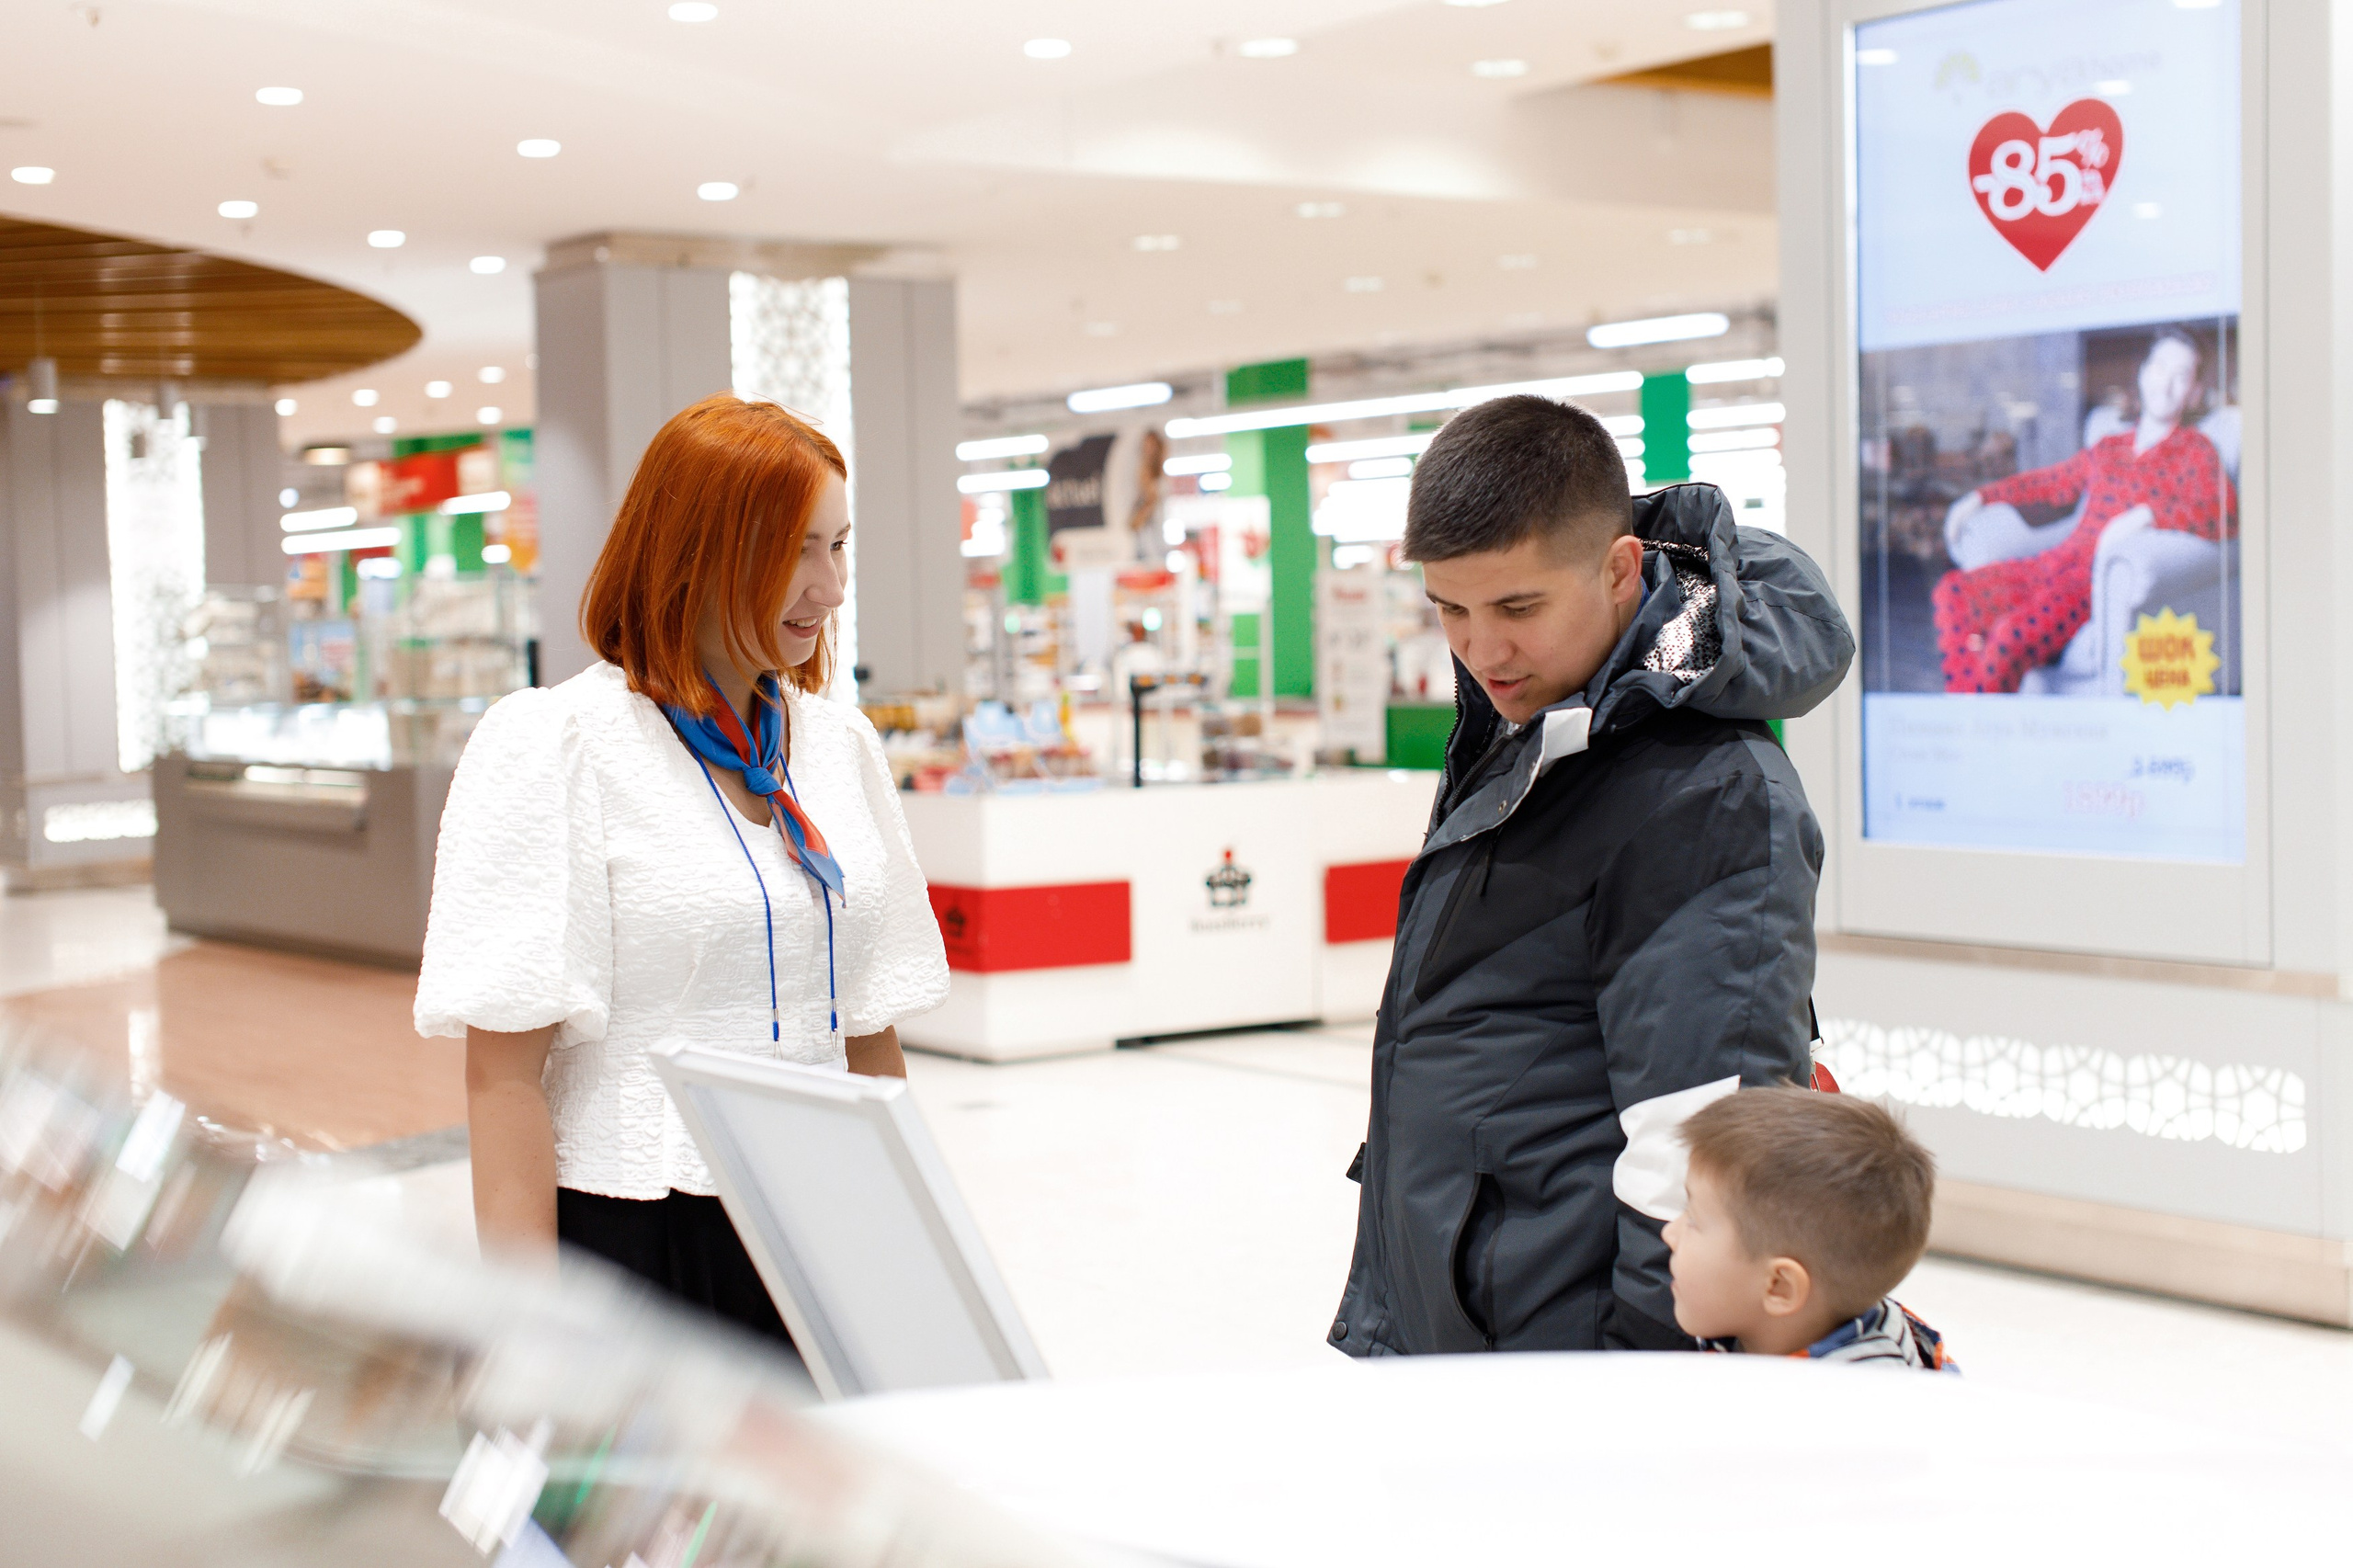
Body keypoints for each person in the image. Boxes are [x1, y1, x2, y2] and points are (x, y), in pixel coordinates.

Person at [415, 393, 949, 1344]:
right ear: (697, 550)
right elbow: (503, 1076)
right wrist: (530, 1338)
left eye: (839, 546)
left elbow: (868, 1027)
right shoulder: (560, 744)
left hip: (825, 1223)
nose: (829, 588)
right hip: (639, 1236)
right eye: (797, 548)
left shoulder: (836, 746)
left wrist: (911, 1245)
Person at [1330, 394, 1852, 1357]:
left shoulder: (1703, 793)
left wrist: (1638, 1399)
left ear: (1622, 569)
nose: (1481, 649)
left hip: (1567, 1361)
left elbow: (1704, 1153)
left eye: (1517, 607)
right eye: (1451, 608)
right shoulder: (1534, 728)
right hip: (1464, 1317)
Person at [1934, 327, 2235, 693]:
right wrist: (1978, 499)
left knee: (2008, 638)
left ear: (2194, 393)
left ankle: (1975, 716)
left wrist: (2146, 516)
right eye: (2160, 368)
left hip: (2090, 584)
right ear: (2143, 373)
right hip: (2052, 563)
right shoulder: (2110, 446)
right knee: (1952, 593)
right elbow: (2052, 482)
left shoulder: (2196, 450)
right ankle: (1975, 705)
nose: (2166, 384)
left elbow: (2223, 511)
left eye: (2182, 376)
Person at [1665, 1086, 1956, 1370]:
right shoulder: (1751, 1318)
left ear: (1779, 1286)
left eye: (1693, 1220)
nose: (1669, 1234)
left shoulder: (1860, 1399)